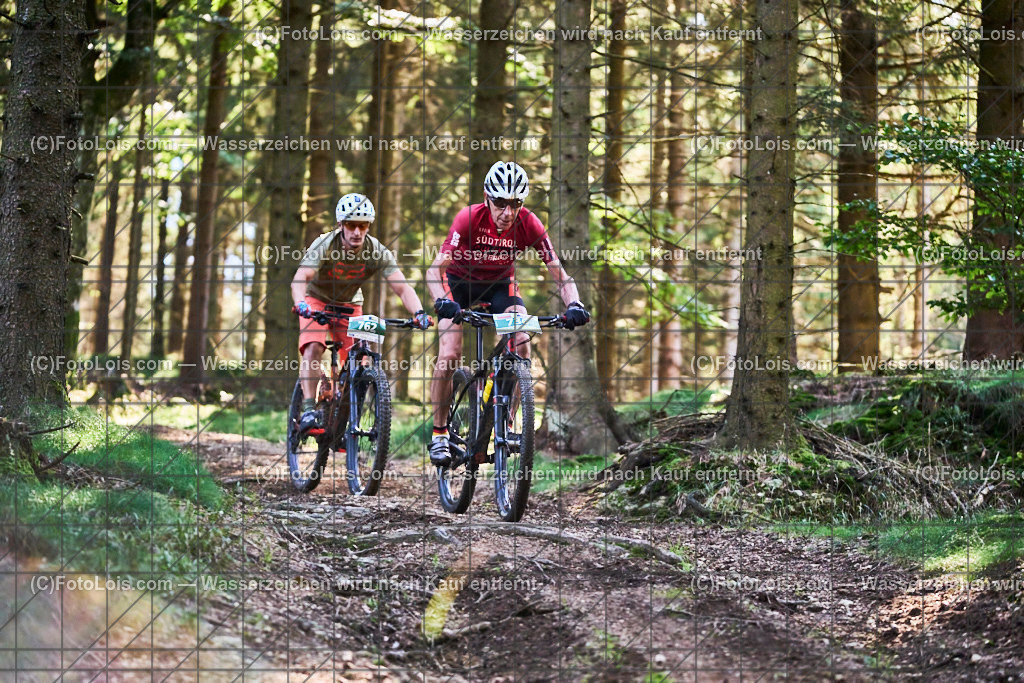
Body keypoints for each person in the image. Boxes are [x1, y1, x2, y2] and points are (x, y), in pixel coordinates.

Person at [426, 161, 590, 465]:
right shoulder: (469, 218)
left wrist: (575, 304)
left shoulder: (529, 223)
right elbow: (434, 270)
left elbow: (559, 272)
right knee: (450, 353)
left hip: (500, 285)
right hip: (458, 286)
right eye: (500, 203)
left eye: (515, 204)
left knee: (522, 342)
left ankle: (509, 423)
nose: (507, 212)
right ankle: (439, 434)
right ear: (487, 198)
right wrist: (441, 301)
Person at [292, 193, 430, 431]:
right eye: (351, 225)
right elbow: (300, 278)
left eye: (363, 225)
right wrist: (301, 304)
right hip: (317, 300)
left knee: (360, 362)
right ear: (340, 225)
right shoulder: (326, 244)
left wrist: (419, 312)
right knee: (314, 345)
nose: (357, 231)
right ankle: (307, 410)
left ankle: (343, 425)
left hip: (349, 304)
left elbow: (402, 287)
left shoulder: (376, 250)